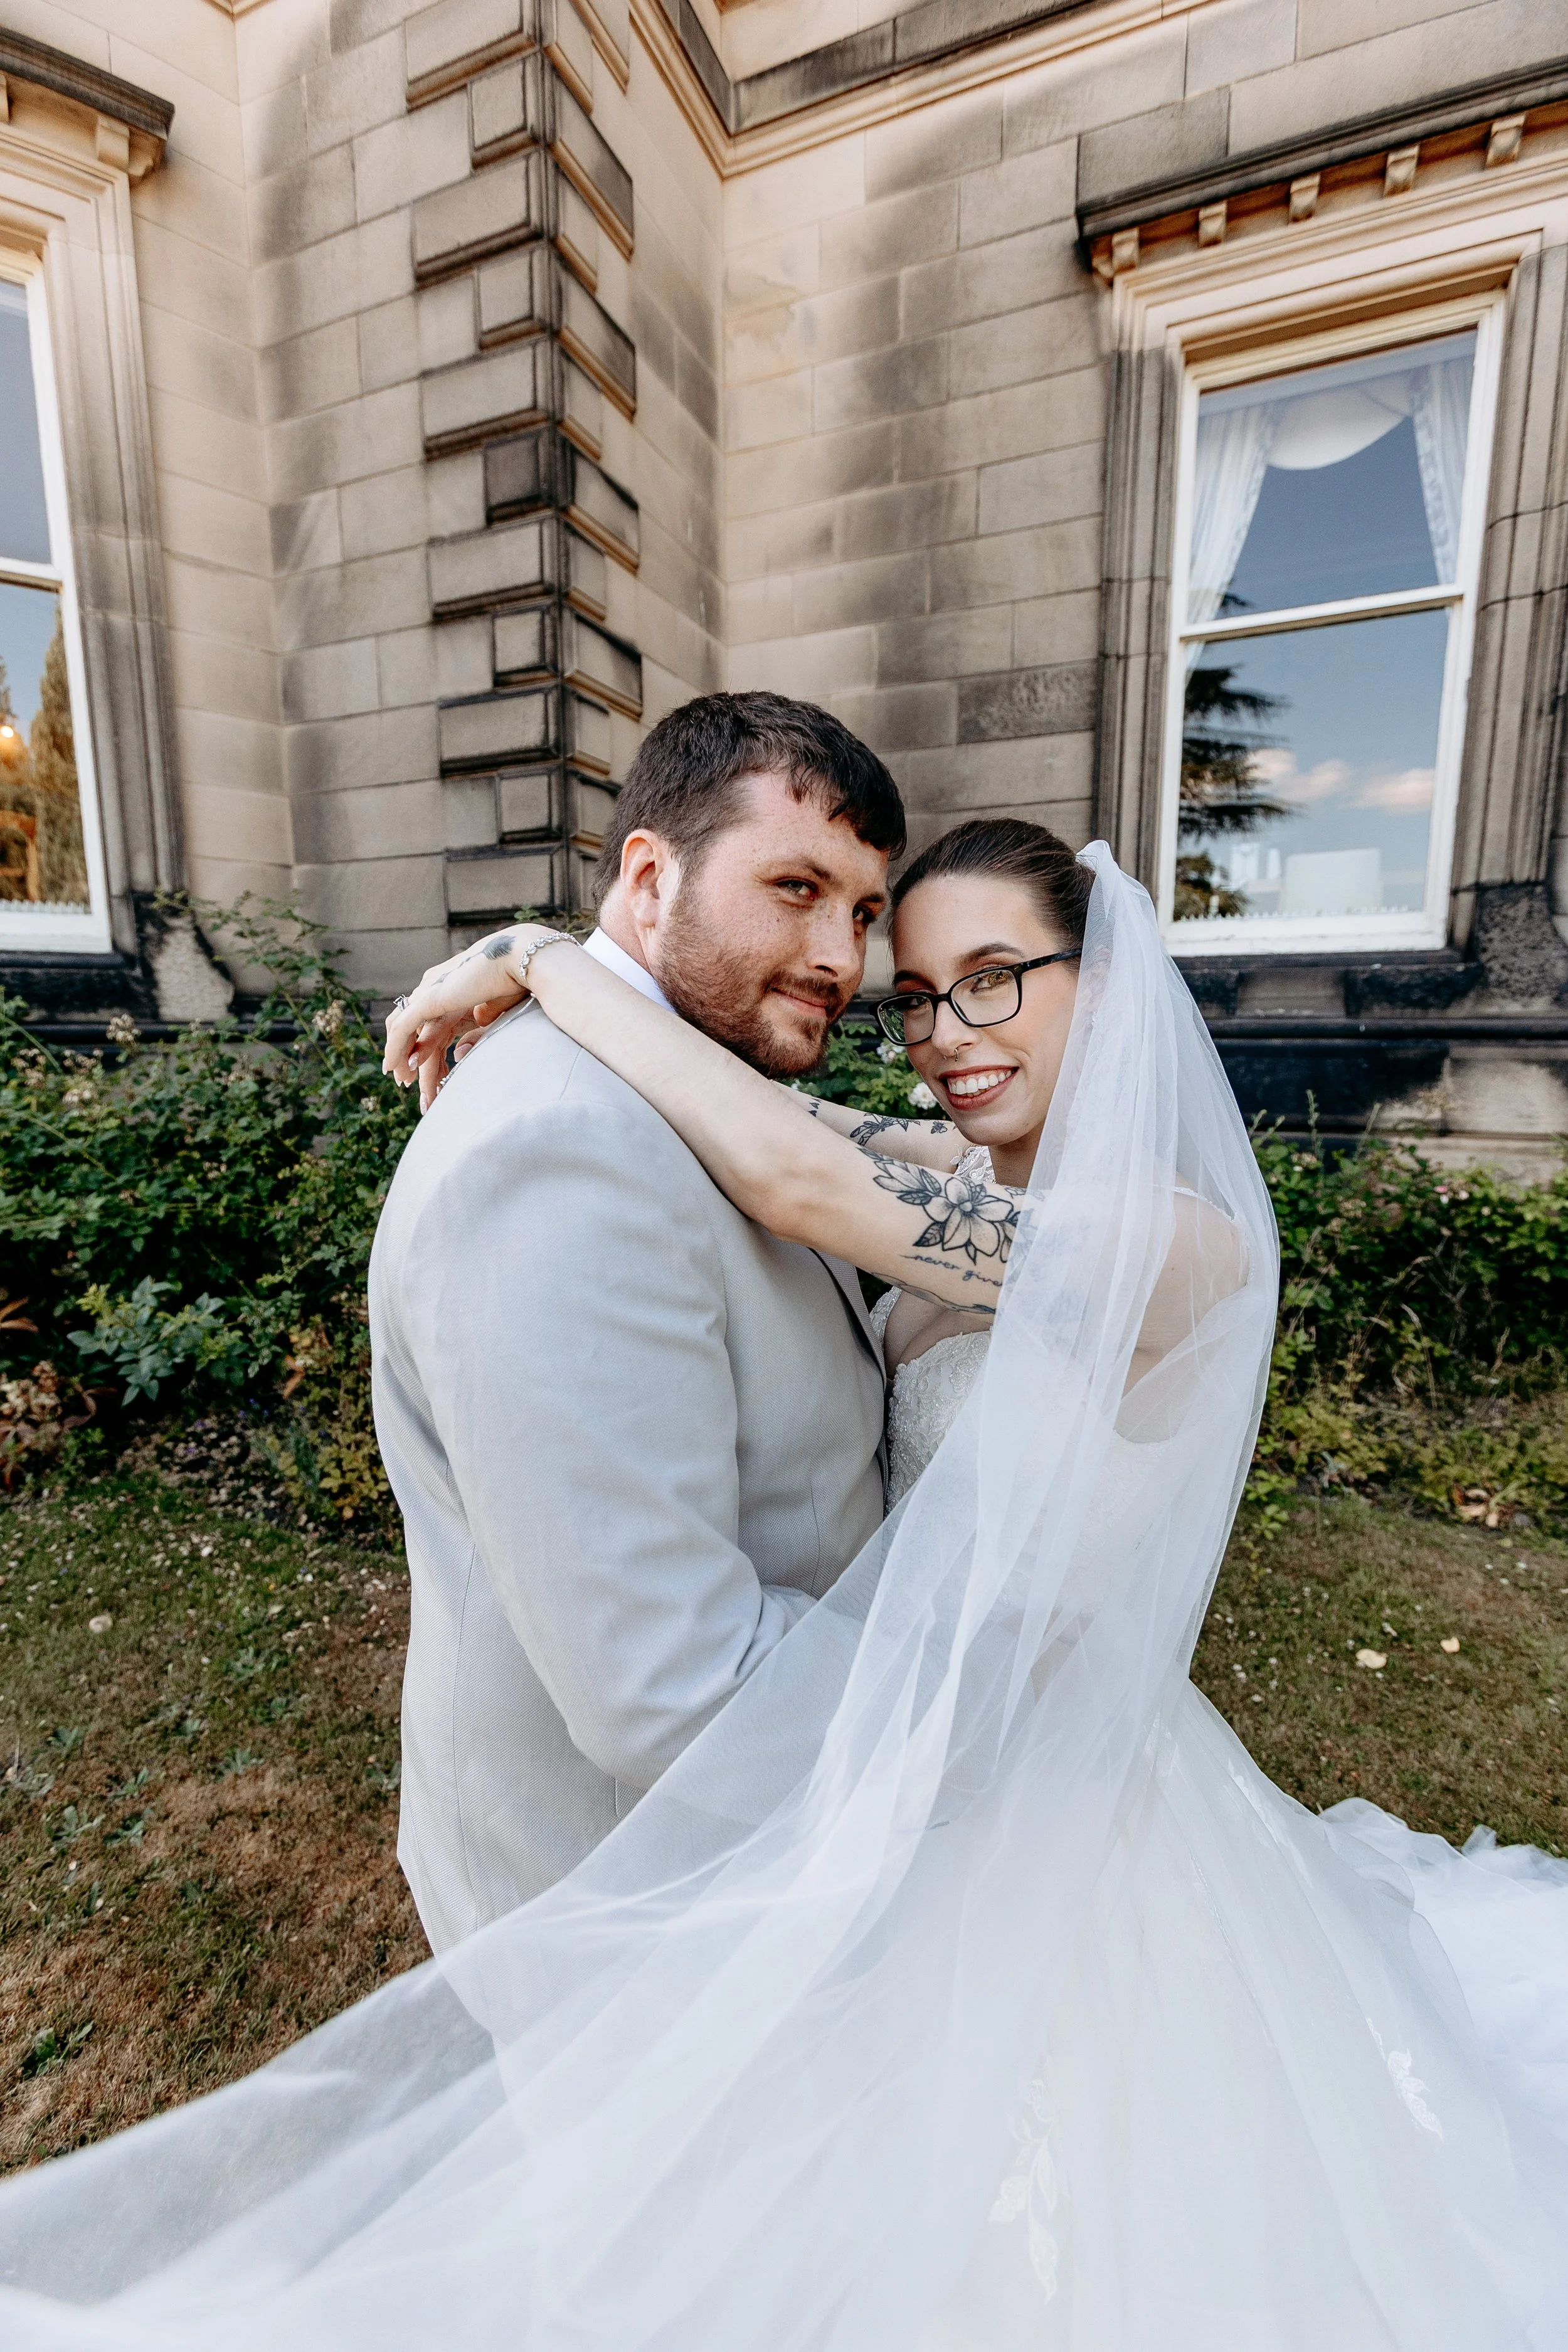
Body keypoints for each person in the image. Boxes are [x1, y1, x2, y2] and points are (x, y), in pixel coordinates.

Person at [1, 824, 1564, 2349]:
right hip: (926, 1762)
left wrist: (544, 956)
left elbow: (788, 1176)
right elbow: (774, 1128)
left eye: (993, 979)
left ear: (1112, 984)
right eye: (916, 996)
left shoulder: (1172, 1245)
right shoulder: (974, 1172)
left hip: (1062, 1799)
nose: (945, 1036)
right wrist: (544, 976)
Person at [368, 692, 903, 1948]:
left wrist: (529, 952)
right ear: (651, 879)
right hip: (636, 1906)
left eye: (865, 912)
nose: (843, 958)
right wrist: (971, 1681)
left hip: (749, 1853)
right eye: (795, 887)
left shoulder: (698, 1085)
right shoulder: (561, 1152)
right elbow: (675, 1691)